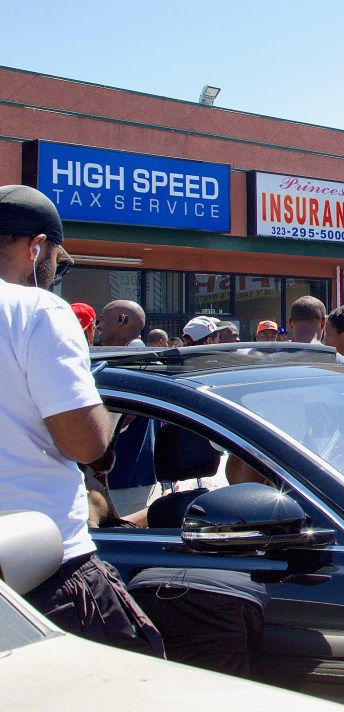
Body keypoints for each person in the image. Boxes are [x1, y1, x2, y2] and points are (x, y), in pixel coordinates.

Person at [0, 184, 162, 655]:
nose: (54, 272)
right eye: (56, 258)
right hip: (44, 570)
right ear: (36, 248)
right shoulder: (35, 310)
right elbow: (85, 443)